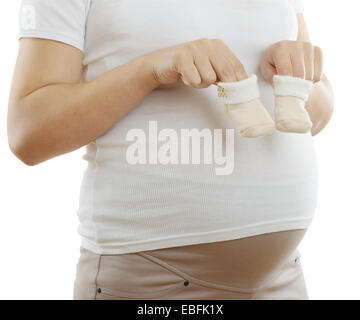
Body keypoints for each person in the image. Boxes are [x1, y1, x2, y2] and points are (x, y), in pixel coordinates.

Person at [8, 0, 334, 300]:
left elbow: (317, 113)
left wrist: (302, 77)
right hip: (152, 280)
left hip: (283, 276)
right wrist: (152, 70)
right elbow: (30, 133)